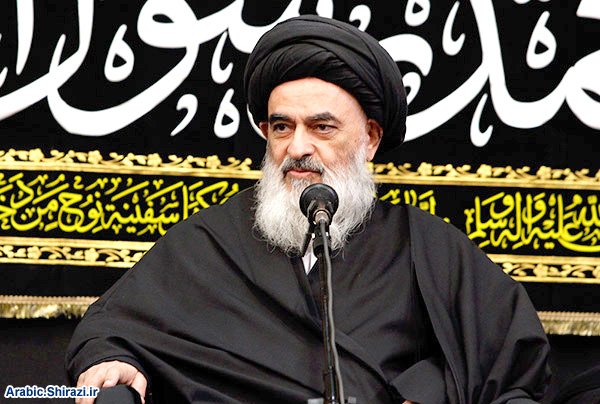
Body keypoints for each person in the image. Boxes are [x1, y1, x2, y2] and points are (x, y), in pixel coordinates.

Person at [66, 15, 551, 404]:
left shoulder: (423, 245)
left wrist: (428, 391)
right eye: (282, 127)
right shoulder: (211, 243)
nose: (297, 148)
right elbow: (114, 327)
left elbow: (511, 359)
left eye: (322, 128)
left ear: (370, 139)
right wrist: (111, 360)